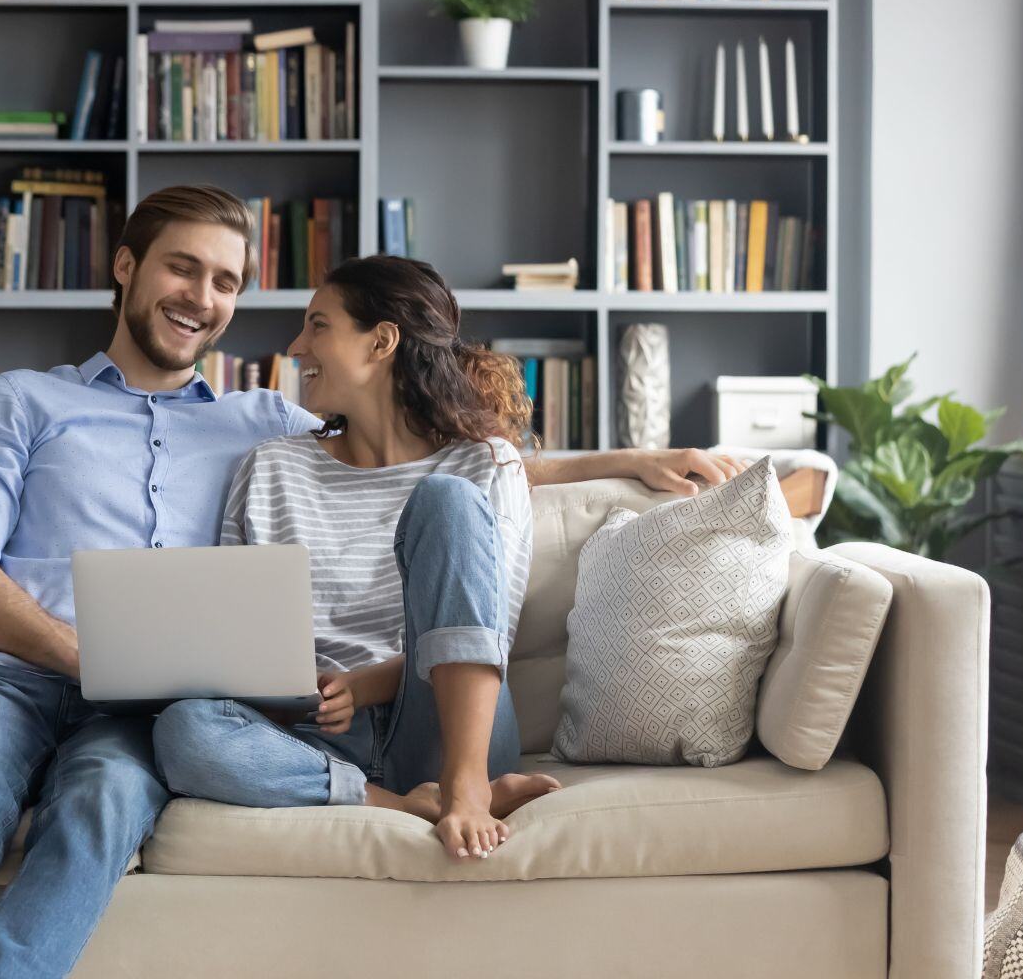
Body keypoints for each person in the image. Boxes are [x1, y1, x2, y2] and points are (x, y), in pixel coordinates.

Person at [0, 186, 747, 979]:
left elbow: (418, 446)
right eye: (181, 267)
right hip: (6, 679)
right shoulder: (26, 401)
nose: (203, 296)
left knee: (106, 802)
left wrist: (631, 460)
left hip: (140, 712)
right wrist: (90, 658)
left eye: (224, 281)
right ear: (127, 267)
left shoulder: (259, 419)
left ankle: (442, 786)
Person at [151, 256, 751, 859]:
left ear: (381, 341)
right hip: (314, 736)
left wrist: (363, 686)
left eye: (319, 325)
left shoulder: (481, 464)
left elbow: (485, 633)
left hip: (446, 722)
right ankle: (403, 802)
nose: (297, 345)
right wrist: (289, 692)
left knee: (446, 501)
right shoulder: (270, 469)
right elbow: (237, 646)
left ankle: (466, 786)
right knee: (183, 730)